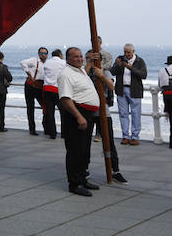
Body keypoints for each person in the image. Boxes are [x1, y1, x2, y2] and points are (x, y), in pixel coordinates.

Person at [58, 47, 104, 196]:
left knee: (85, 150)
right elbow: (65, 98)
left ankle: (83, 178)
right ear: (68, 59)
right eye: (75, 57)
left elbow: (85, 67)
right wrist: (79, 116)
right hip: (76, 115)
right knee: (75, 150)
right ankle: (75, 183)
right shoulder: (66, 74)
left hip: (88, 114)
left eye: (80, 56)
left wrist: (91, 61)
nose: (79, 59)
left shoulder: (80, 70)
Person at [85, 50, 128, 184]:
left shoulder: (105, 72)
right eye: (87, 58)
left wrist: (101, 75)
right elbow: (82, 78)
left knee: (109, 142)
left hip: (103, 111)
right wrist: (89, 64)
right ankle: (84, 169)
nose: (89, 60)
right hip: (87, 110)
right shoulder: (84, 71)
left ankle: (115, 170)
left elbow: (111, 86)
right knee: (85, 142)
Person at [110, 43, 147, 146]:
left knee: (136, 114)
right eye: (125, 52)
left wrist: (130, 68)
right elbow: (112, 72)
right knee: (123, 113)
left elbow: (143, 75)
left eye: (129, 52)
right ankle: (125, 136)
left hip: (134, 90)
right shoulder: (120, 60)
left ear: (133, 51)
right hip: (122, 90)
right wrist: (118, 65)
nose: (126, 54)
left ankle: (135, 136)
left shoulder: (139, 61)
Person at [21, 47, 48, 135]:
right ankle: (32, 129)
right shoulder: (34, 60)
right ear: (38, 54)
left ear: (47, 55)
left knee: (46, 107)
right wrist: (28, 74)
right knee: (30, 108)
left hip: (40, 86)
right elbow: (23, 63)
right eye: (41, 53)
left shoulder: (48, 64)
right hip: (30, 85)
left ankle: (46, 127)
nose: (42, 55)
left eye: (44, 53)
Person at [42, 49, 66, 138]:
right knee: (63, 112)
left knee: (50, 112)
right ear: (60, 55)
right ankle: (64, 133)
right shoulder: (63, 63)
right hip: (58, 89)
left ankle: (52, 133)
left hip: (47, 89)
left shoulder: (47, 63)